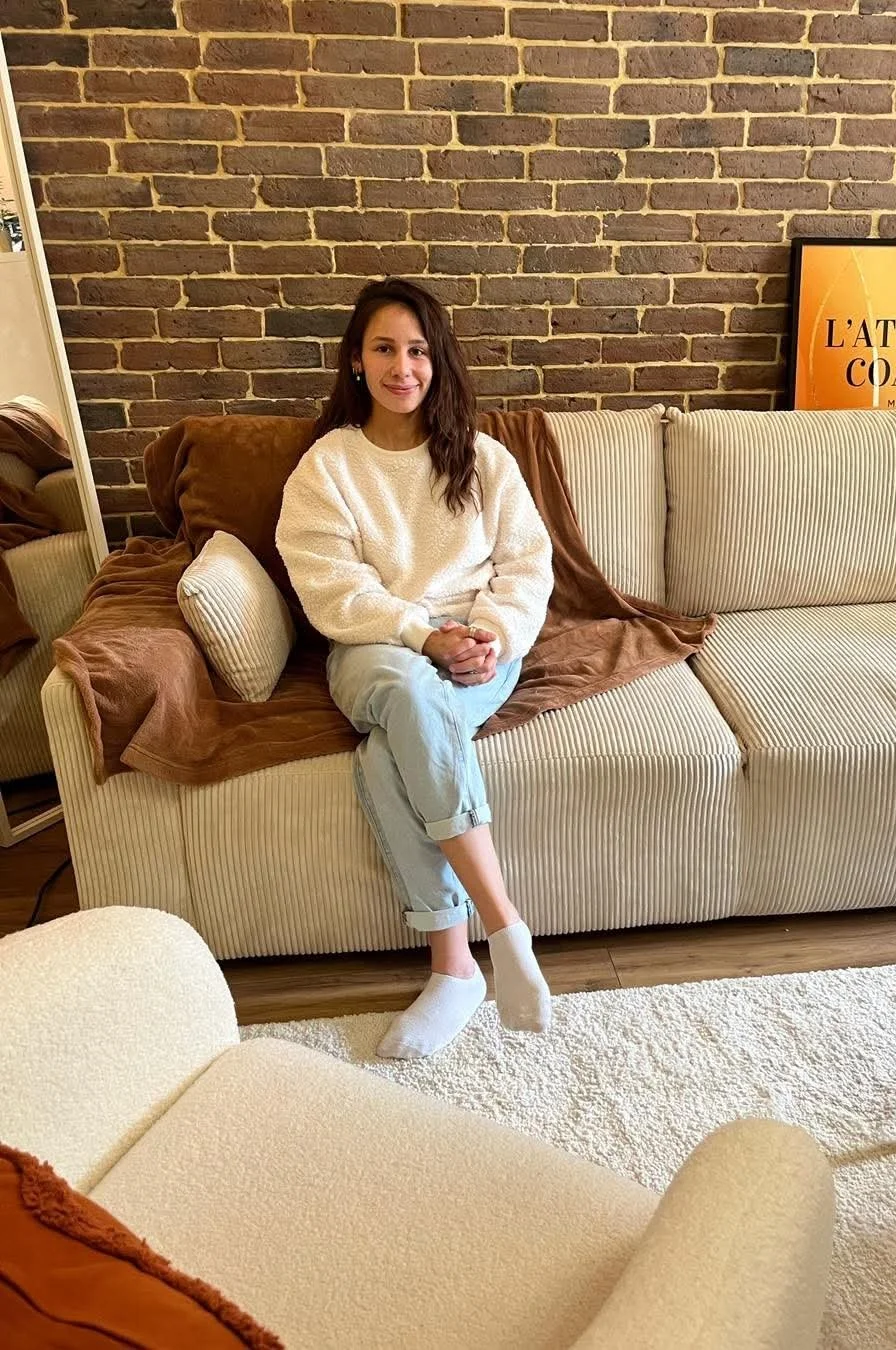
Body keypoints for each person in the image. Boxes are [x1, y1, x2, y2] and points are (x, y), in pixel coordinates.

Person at [276, 277, 555, 1060]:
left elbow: (527, 565)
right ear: (356, 363)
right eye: (385, 349)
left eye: (419, 350)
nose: (404, 367)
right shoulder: (328, 467)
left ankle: (456, 966)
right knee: (402, 690)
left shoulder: (480, 458)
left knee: (385, 750)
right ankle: (504, 922)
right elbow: (331, 586)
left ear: (438, 362)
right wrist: (418, 633)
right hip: (372, 649)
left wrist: (491, 634)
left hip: (479, 651)